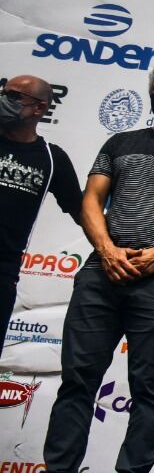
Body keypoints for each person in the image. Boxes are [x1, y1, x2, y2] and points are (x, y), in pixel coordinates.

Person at [41, 61, 154, 473]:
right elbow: (91, 200)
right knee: (78, 376)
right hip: (102, 272)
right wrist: (107, 250)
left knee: (149, 382)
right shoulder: (121, 141)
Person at [0, 75, 81, 348]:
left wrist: (114, 248)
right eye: (3, 93)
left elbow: (81, 210)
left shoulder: (51, 157)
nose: (4, 101)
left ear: (39, 108)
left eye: (14, 97)